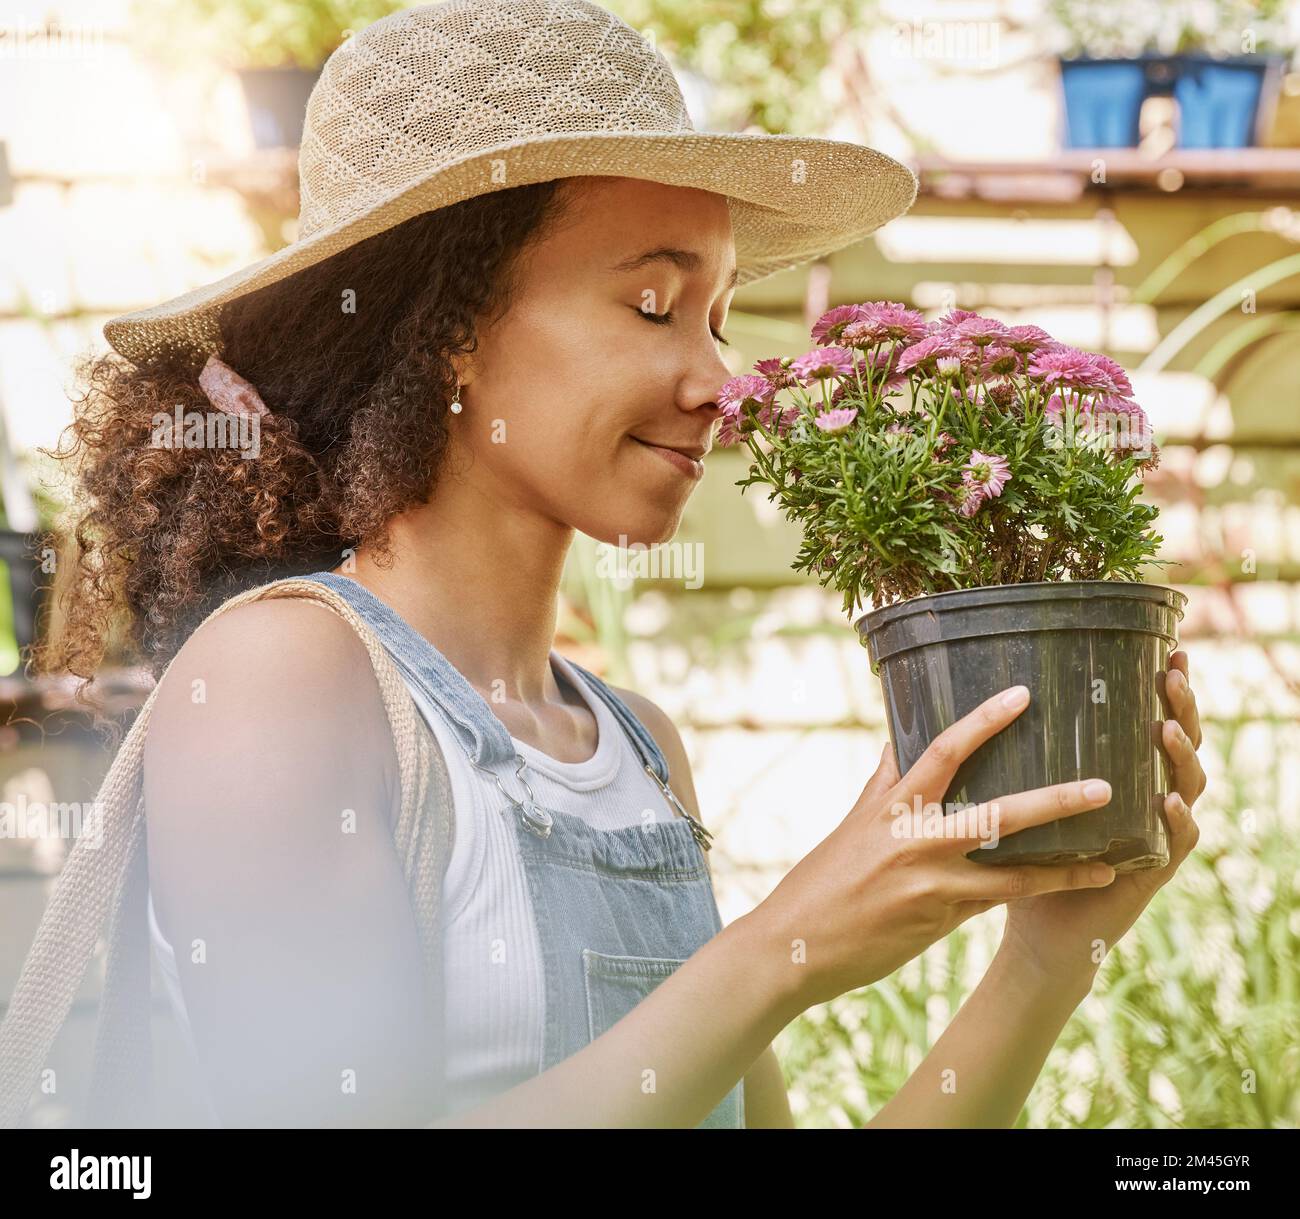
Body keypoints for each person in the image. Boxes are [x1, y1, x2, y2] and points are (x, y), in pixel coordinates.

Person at [37, 1, 1205, 1128]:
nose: (723, 381)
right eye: (653, 305)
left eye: (720, 315)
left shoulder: (639, 749)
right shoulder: (283, 680)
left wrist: (1047, 956)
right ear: (446, 327)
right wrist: (784, 945)